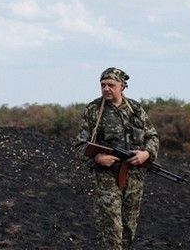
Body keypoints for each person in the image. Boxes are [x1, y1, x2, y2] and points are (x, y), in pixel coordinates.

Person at [72, 67, 160, 250]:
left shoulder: (135, 109)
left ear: (122, 86)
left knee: (128, 229)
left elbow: (153, 137)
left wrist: (147, 153)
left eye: (111, 85)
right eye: (103, 85)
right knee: (111, 229)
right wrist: (97, 158)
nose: (106, 89)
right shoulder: (93, 110)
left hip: (134, 178)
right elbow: (79, 146)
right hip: (106, 178)